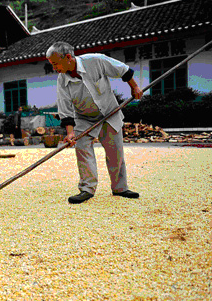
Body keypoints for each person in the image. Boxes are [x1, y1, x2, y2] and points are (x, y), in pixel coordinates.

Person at [46, 41, 144, 204]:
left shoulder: (96, 61)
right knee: (82, 150)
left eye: (56, 64)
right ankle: (87, 189)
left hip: (109, 112)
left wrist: (134, 88)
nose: (55, 68)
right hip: (83, 118)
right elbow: (65, 106)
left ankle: (120, 188)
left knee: (115, 152)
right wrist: (70, 133)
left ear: (68, 58)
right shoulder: (61, 80)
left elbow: (123, 70)